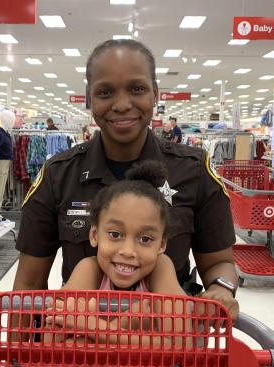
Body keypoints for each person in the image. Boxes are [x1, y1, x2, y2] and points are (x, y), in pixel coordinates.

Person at [15, 39, 239, 319]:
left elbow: (219, 262)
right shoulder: (59, 174)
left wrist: (222, 288)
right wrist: (17, 358)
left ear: (155, 94)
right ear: (89, 98)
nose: (122, 105)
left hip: (166, 340)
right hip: (78, 344)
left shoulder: (194, 170)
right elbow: (28, 283)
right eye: (106, 92)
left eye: (137, 89)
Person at [45, 160, 189, 347]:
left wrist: (89, 325)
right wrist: (137, 317)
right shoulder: (90, 269)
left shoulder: (160, 268)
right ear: (95, 235)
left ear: (161, 245)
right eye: (115, 234)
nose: (128, 251)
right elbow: (52, 340)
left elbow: (180, 344)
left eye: (145, 239)